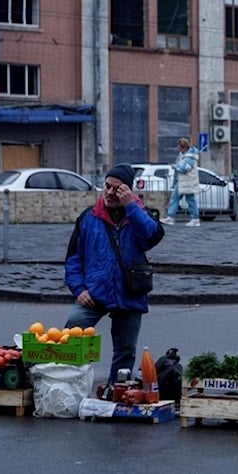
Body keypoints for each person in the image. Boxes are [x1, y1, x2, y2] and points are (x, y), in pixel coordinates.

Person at [64, 163, 165, 385]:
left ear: (127, 191)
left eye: (117, 189)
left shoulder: (138, 216)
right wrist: (79, 289)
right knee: (72, 330)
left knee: (126, 349)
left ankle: (116, 392)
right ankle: (68, 383)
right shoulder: (89, 217)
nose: (110, 192)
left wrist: (131, 206)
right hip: (95, 292)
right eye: (107, 186)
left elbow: (152, 236)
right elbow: (73, 259)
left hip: (129, 293)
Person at [161, 138, 201, 227]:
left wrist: (176, 167)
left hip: (186, 181)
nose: (177, 148)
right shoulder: (185, 155)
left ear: (183, 147)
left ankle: (172, 217)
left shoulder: (189, 157)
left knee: (182, 199)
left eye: (178, 146)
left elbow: (185, 169)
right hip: (184, 182)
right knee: (186, 199)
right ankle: (194, 218)